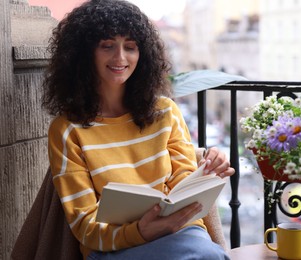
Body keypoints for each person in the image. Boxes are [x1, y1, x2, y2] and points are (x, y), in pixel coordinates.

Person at [41, 0, 234, 259]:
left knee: (204, 254)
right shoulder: (67, 130)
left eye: (130, 47)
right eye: (107, 46)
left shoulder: (165, 112)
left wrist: (205, 174)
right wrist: (141, 232)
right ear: (83, 53)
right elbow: (85, 226)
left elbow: (182, 186)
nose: (120, 58)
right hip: (113, 246)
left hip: (179, 231)